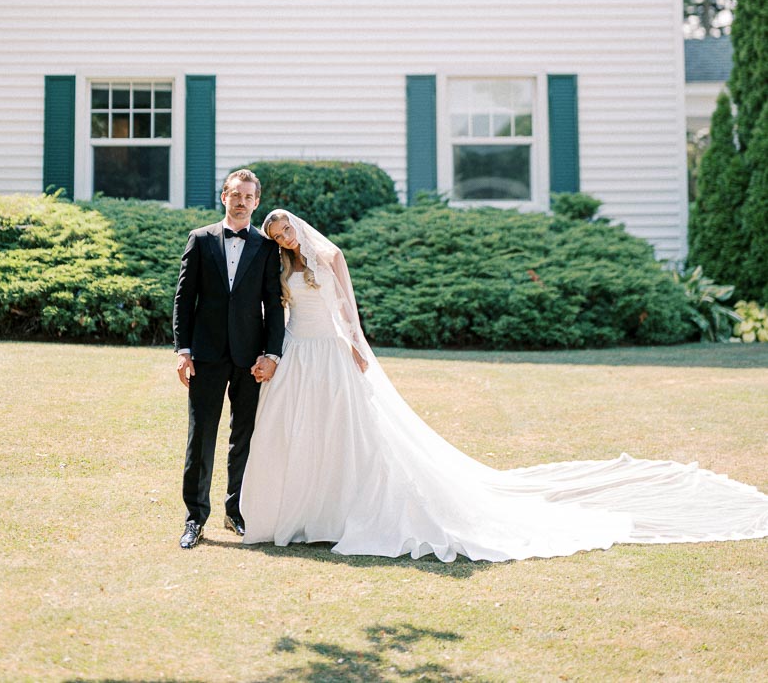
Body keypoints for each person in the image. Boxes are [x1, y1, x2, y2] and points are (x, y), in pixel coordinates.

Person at [240, 209, 768, 562]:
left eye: (285, 230)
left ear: (298, 226)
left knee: (352, 435)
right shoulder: (280, 265)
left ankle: (344, 511)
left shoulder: (331, 258)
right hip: (299, 354)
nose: (283, 238)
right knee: (304, 434)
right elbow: (276, 312)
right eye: (275, 234)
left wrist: (358, 345)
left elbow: (348, 310)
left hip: (333, 351)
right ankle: (307, 514)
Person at [172, 169, 285, 549]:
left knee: (245, 438)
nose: (241, 202)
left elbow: (275, 304)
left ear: (257, 202)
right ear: (224, 197)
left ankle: (235, 510)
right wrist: (182, 351)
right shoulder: (200, 240)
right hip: (205, 354)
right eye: (235, 195)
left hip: (249, 357)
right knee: (200, 437)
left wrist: (271, 354)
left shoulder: (267, 248)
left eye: (248, 197)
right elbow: (184, 299)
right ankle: (194, 519)